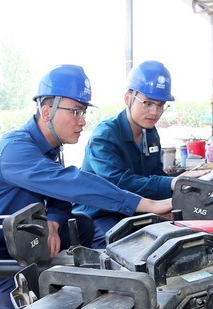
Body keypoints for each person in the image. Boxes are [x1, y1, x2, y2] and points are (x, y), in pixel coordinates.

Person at [0, 64, 173, 309]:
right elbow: (70, 182)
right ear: (47, 111)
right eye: (76, 111)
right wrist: (146, 204)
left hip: (25, 238)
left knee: (86, 232)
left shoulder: (51, 146)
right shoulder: (15, 149)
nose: (82, 120)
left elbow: (59, 196)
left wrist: (55, 221)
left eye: (83, 112)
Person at [74, 60, 179, 248]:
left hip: (135, 209)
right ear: (128, 98)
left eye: (160, 104)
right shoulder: (104, 136)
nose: (155, 112)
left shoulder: (151, 133)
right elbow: (121, 182)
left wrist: (183, 185)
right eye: (147, 103)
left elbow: (154, 174)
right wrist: (172, 184)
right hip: (100, 214)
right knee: (128, 251)